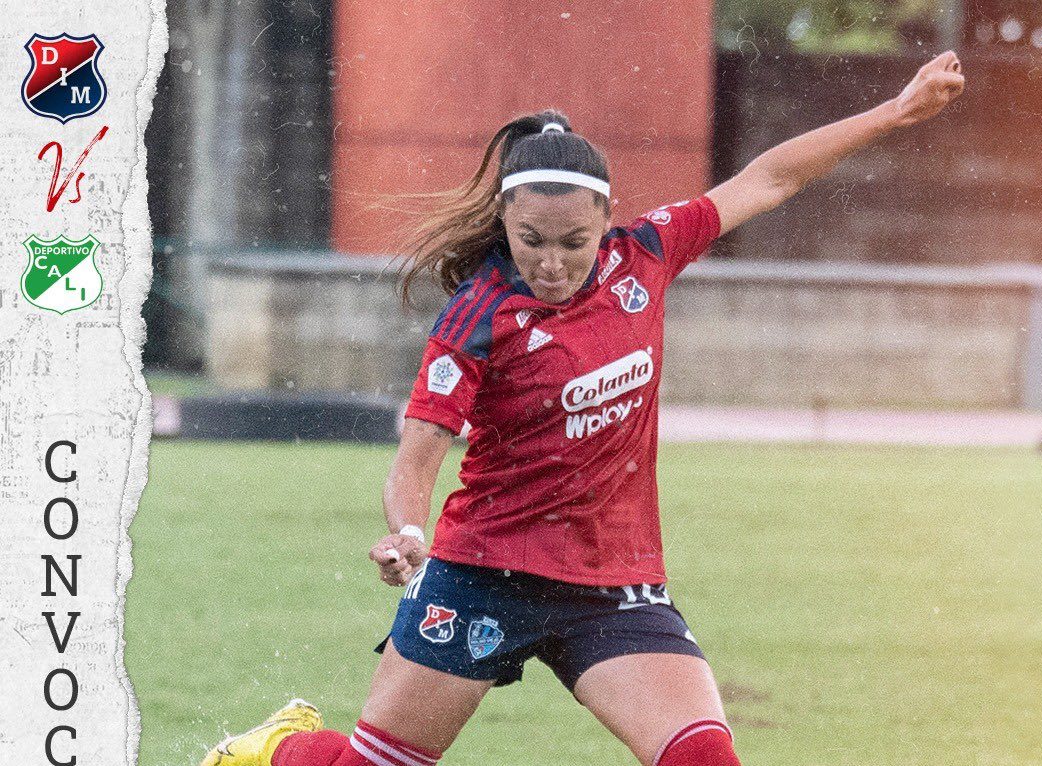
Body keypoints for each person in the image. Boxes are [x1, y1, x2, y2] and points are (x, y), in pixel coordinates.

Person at [201, 51, 964, 766]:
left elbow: (768, 179)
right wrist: (407, 532)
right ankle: (277, 750)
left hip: (614, 584)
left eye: (574, 241)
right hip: (480, 574)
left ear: (608, 221)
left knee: (705, 756)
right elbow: (418, 456)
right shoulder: (475, 318)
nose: (553, 262)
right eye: (531, 239)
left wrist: (894, 112)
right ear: (504, 221)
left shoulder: (650, 255)